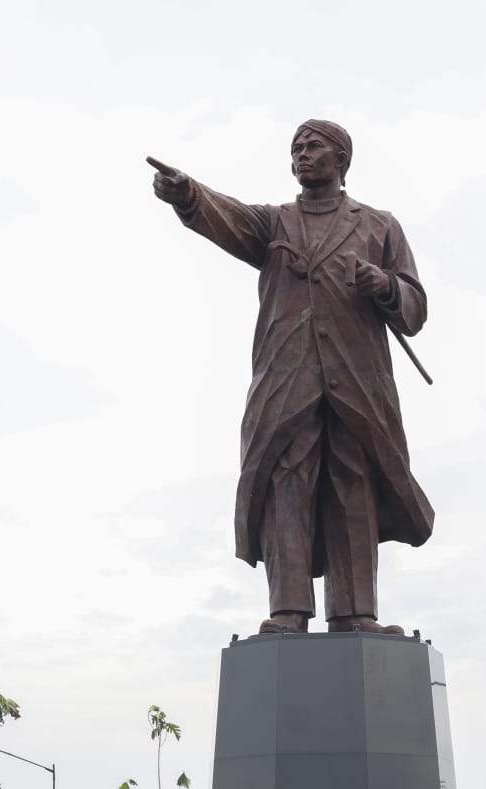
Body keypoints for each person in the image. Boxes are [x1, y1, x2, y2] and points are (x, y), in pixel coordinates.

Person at [148, 119, 433, 635]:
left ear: (341, 159)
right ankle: (288, 611)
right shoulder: (275, 223)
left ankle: (354, 614)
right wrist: (187, 194)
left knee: (354, 484)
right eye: (296, 148)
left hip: (357, 379)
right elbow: (226, 217)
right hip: (288, 376)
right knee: (287, 483)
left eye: (314, 146)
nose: (302, 154)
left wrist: (384, 283)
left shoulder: (379, 226)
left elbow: (414, 310)